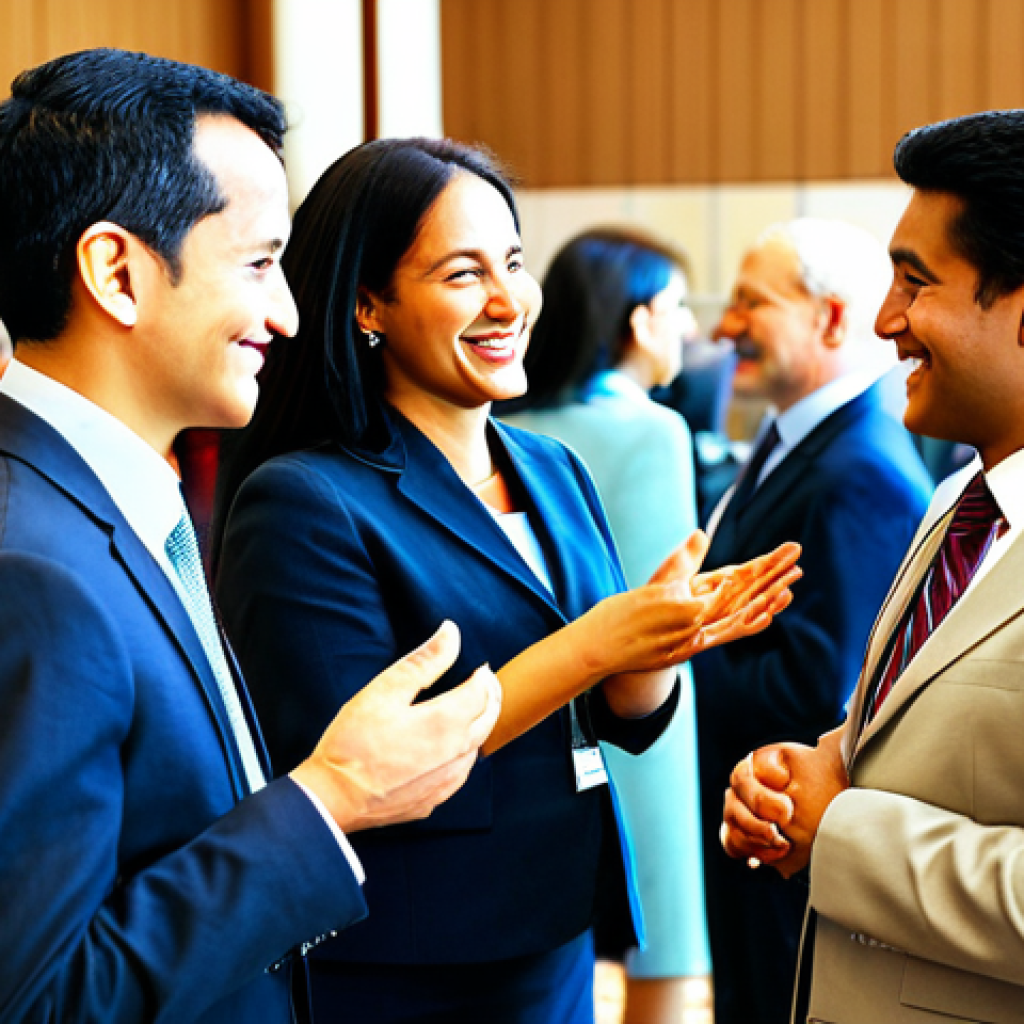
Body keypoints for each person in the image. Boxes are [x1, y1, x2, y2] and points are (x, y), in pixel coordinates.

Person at [214, 138, 800, 1024]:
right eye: (462, 274)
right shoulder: (303, 499)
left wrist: (652, 656)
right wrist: (594, 642)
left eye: (515, 263)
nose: (508, 301)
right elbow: (354, 763)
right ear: (368, 302)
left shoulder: (551, 468)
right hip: (410, 959)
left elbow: (609, 715)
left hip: (555, 932)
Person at [0, 49, 507, 1024]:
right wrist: (329, 798)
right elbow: (39, 1001)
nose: (286, 313)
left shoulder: (114, 510)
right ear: (116, 271)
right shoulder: (34, 567)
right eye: (261, 264)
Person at [723, 110, 1024, 1024]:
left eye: (916, 282)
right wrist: (802, 773)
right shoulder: (960, 507)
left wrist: (839, 829)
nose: (887, 319)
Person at [693, 218, 933, 1023]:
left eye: (751, 304)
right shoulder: (793, 439)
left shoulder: (859, 468)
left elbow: (819, 684)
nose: (726, 328)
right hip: (745, 830)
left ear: (830, 318)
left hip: (782, 836)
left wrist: (668, 650)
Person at [503, 227, 711, 1023]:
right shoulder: (654, 430)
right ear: (638, 321)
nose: (688, 329)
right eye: (677, 307)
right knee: (662, 963)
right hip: (644, 725)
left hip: (537, 717)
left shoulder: (521, 429)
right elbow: (670, 609)